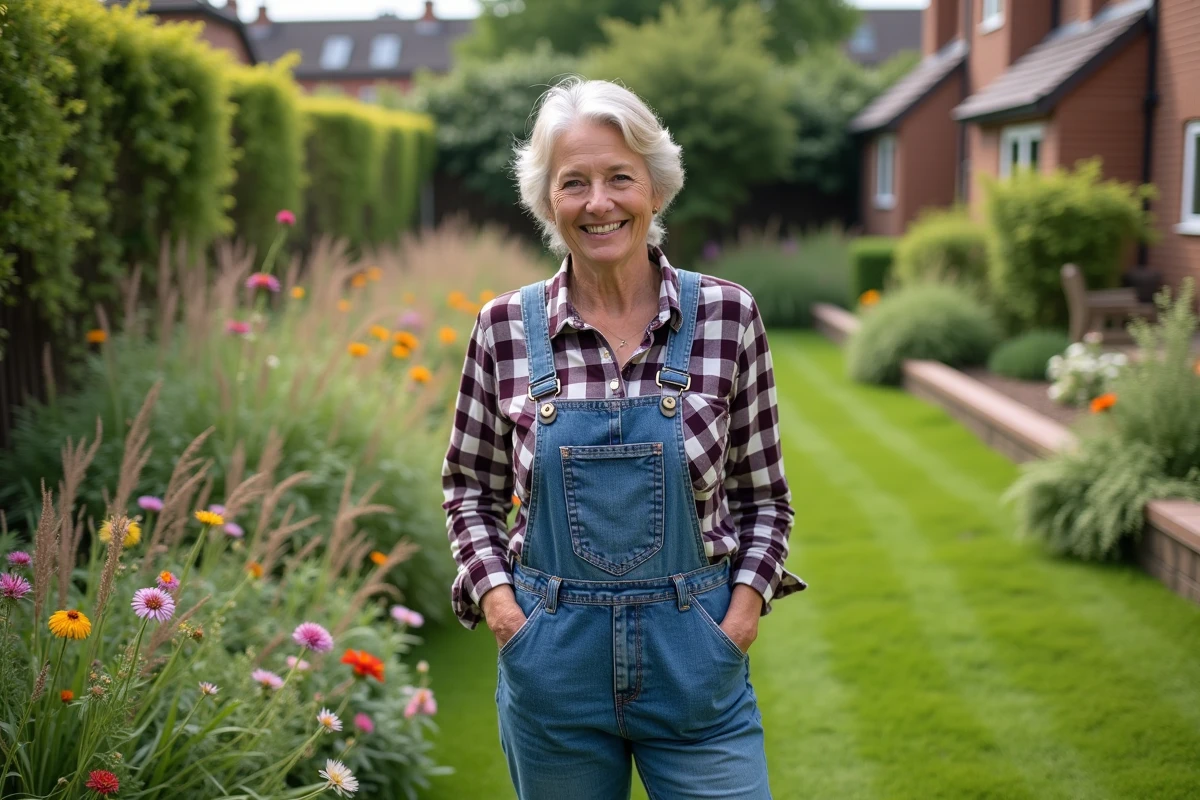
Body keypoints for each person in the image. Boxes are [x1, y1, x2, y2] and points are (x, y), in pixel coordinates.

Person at [441, 77, 805, 799]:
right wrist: (505, 614)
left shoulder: (727, 316)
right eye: (574, 182)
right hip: (552, 663)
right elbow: (468, 489)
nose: (598, 202)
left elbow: (764, 498)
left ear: (656, 190)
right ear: (549, 201)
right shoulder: (505, 328)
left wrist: (737, 620)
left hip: (694, 658)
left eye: (619, 178)